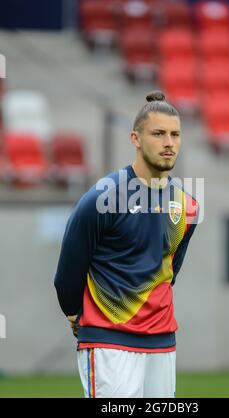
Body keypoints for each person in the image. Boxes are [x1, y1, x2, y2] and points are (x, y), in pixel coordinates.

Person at [54, 90, 199, 398]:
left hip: (162, 342)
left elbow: (170, 271)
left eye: (175, 134)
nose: (169, 143)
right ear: (135, 138)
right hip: (109, 341)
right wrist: (72, 311)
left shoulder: (188, 206)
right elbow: (68, 269)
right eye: (158, 134)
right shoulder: (102, 198)